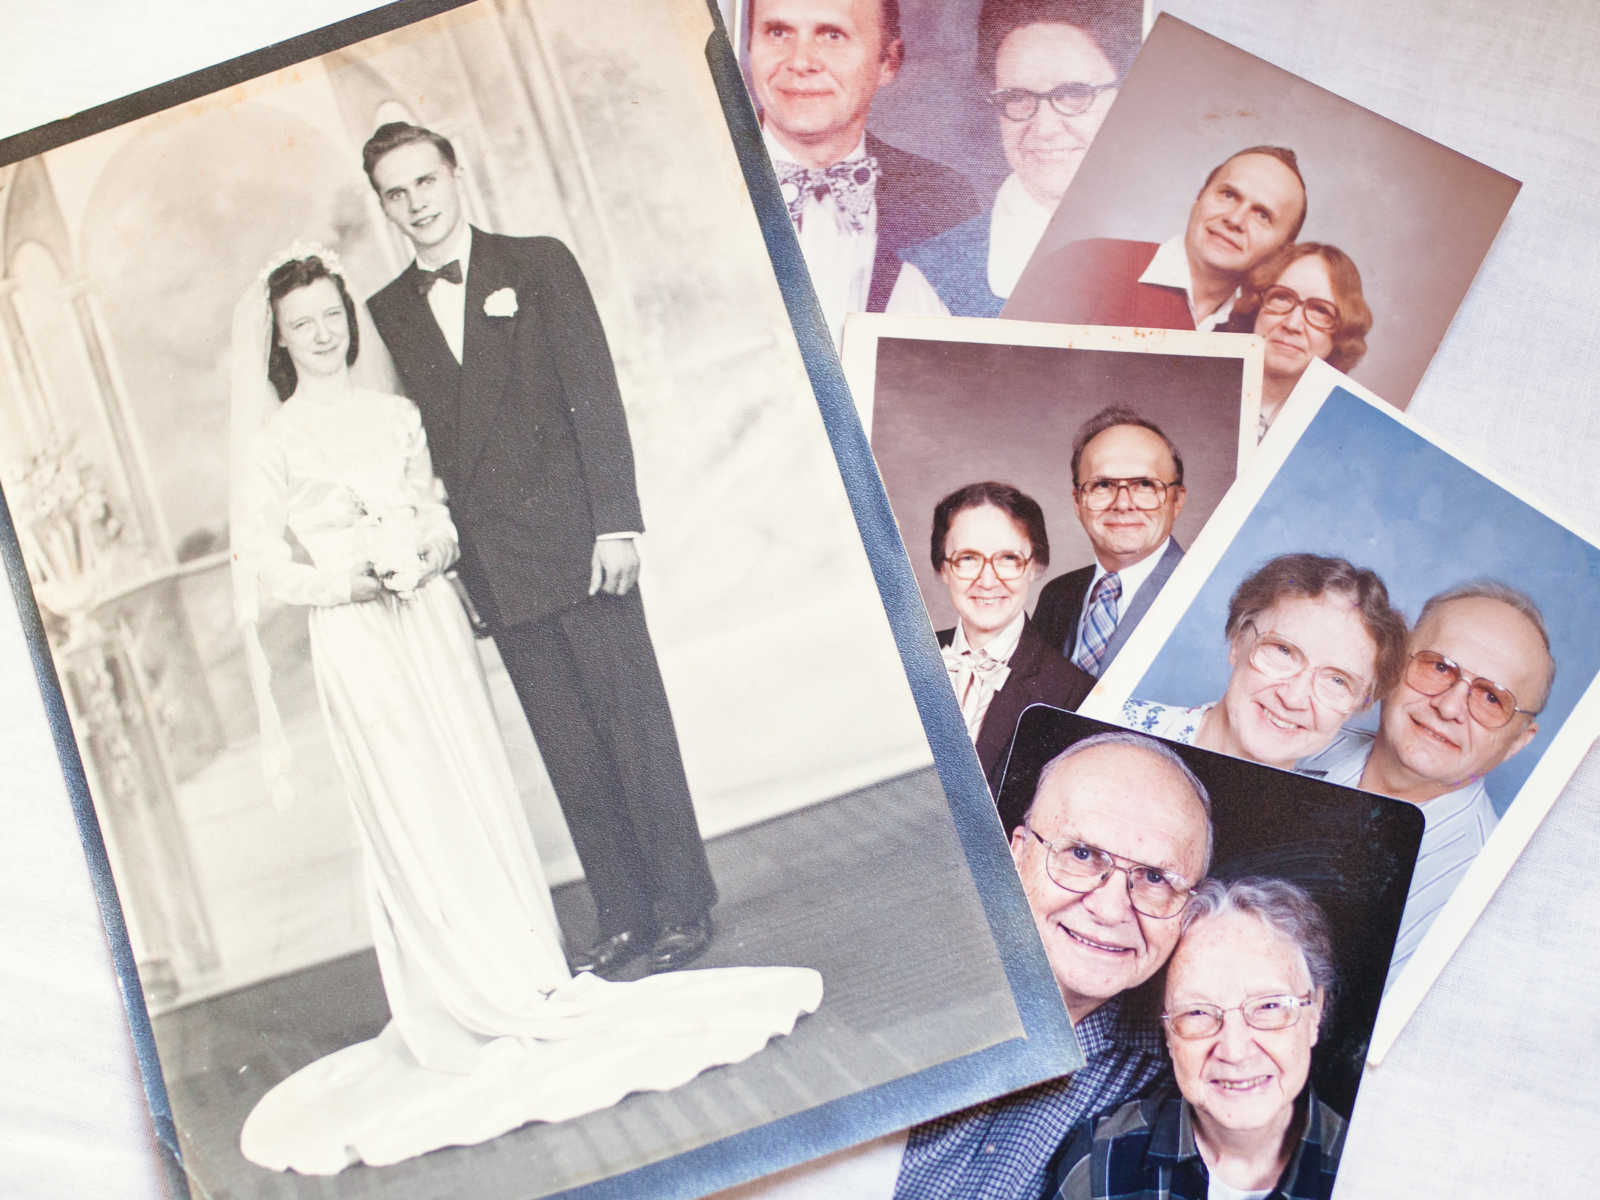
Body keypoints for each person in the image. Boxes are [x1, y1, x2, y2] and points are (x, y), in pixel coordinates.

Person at [230, 250, 822, 1173]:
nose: (323, 333)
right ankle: (457, 982)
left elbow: (437, 501)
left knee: (476, 781)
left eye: (330, 314)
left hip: (428, 618)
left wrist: (424, 545)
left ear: (349, 315)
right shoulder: (272, 446)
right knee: (411, 802)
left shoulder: (395, 413)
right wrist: (350, 575)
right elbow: (266, 565)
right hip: (360, 639)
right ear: (278, 337)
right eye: (301, 322)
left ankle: (531, 958)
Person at [362, 122, 714, 979]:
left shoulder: (538, 262)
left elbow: (594, 392)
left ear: (456, 174)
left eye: (425, 182)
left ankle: (682, 904)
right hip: (497, 564)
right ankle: (623, 915)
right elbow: (407, 447)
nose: (416, 205)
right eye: (396, 193)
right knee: (567, 746)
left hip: (584, 541)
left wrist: (617, 524)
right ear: (383, 206)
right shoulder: (386, 314)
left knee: (633, 729)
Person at [1297, 581, 1553, 972]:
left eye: (1491, 698)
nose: (1450, 707)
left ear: (1518, 741)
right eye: (1439, 666)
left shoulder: (1489, 901)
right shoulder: (1290, 736)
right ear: (1396, 661)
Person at [1048, 877, 1346, 1200]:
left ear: (1315, 1010)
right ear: (1166, 1032)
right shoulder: (1102, 1158)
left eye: (1269, 1006)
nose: (1234, 1051)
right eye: (1197, 1013)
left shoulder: (1377, 1166)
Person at [746, 0, 981, 345]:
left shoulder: (943, 200)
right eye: (778, 32)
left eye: (832, 35)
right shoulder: (681, 185)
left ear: (889, 62)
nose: (799, 61)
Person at [887, 0, 1140, 317]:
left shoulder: (1195, 249)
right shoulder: (931, 280)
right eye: (1017, 97)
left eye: (1074, 94)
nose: (1045, 129)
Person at [1122, 554, 1407, 771]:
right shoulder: (1116, 728)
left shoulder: (1335, 835)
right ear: (1237, 640)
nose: (1293, 698)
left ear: (1360, 705)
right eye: (1283, 650)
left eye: (1337, 680)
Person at [1005, 145, 1307, 332]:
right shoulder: (1087, 266)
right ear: (1199, 197)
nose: (1235, 219)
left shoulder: (1249, 338)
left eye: (1262, 215)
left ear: (1283, 251)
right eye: (1228, 195)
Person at [931, 481, 1094, 795]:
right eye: (967, 558)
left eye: (1008, 559)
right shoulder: (902, 656)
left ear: (1036, 567)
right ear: (943, 569)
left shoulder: (1073, 694)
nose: (988, 580)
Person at [1032, 407, 1187, 677]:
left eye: (1145, 485)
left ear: (1177, 501)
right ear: (1077, 502)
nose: (1123, 504)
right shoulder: (1057, 596)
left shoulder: (1206, 597)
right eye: (1102, 485)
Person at [1227, 243, 1372, 437]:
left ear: (1342, 331)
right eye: (1281, 298)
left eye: (1320, 310)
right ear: (1256, 306)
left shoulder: (1343, 433)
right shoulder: (1198, 388)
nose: (1292, 324)